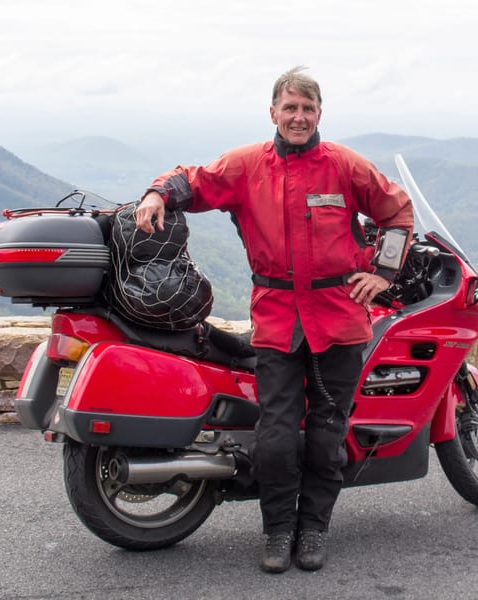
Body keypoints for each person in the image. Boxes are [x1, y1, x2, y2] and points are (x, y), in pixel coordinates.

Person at [135, 66, 414, 573]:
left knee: (328, 435)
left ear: (320, 113)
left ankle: (314, 529)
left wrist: (383, 273)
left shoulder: (345, 166)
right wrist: (157, 194)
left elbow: (396, 211)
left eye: (307, 108)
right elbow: (194, 181)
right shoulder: (247, 166)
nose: (299, 117)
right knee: (277, 437)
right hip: (278, 319)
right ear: (273, 113)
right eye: (290, 108)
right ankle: (278, 531)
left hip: (339, 318)